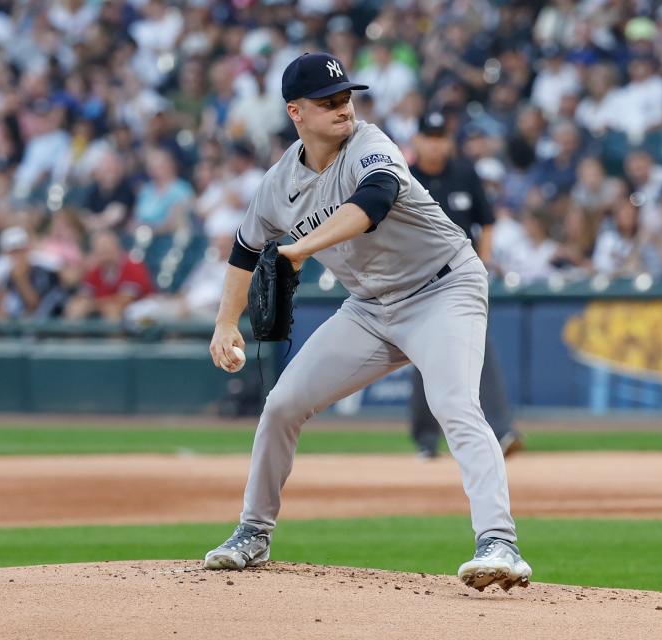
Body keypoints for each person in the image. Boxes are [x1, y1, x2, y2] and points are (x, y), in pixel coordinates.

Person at [202, 52, 531, 592]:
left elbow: (372, 204)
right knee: (283, 404)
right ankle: (253, 532)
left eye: (345, 97)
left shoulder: (371, 146)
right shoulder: (278, 183)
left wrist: (299, 249)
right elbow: (243, 249)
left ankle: (499, 542)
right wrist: (225, 323)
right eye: (327, 102)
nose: (342, 108)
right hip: (370, 308)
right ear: (295, 113)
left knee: (453, 403)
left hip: (443, 288)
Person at [406, 111, 522, 458]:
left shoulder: (464, 173)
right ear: (418, 141)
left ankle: (502, 431)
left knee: (479, 351)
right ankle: (426, 440)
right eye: (429, 136)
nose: (436, 143)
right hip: (419, 279)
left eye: (441, 137)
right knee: (423, 359)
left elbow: (486, 222)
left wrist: (483, 263)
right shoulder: (403, 177)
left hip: (461, 278)